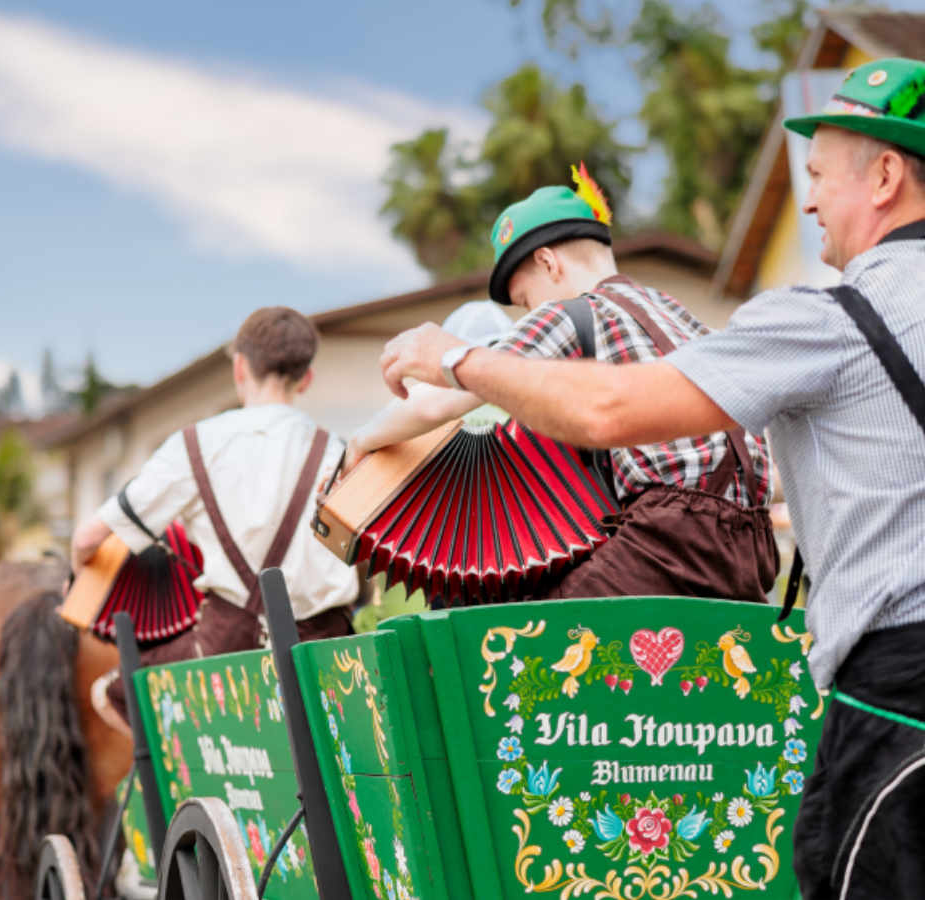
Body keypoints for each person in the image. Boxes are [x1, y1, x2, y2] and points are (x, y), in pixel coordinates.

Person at [376, 58, 925, 898]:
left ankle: (524, 845)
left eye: (815, 176)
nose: (807, 200)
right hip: (749, 559)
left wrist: (419, 389)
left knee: (507, 641)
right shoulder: (684, 315)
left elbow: (517, 408)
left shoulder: (811, 319)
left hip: (829, 641)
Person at [347, 166, 777, 603]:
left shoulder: (570, 314)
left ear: (548, 263)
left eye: (524, 301)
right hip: (752, 547)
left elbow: (442, 399)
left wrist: (362, 441)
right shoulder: (679, 315)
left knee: (523, 638)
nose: (527, 314)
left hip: (666, 542)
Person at [72, 307, 359, 734]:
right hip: (330, 656)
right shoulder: (342, 452)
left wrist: (79, 580)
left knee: (112, 691)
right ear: (306, 378)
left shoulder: (193, 446)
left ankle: (181, 781)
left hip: (223, 652)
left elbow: (87, 538)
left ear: (239, 367)